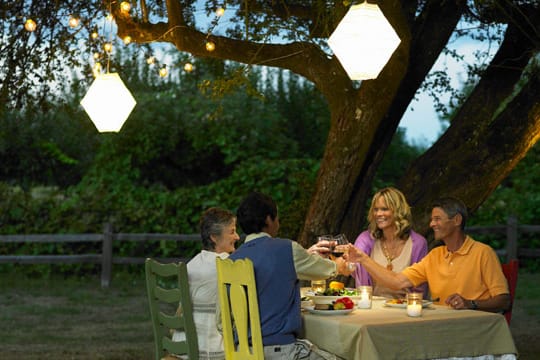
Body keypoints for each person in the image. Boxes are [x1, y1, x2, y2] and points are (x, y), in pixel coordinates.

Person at [230, 191, 352, 360]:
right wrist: (339, 266)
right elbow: (323, 270)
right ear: (268, 219)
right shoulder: (286, 248)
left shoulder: (232, 260)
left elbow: (222, 321)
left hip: (241, 352)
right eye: (277, 217)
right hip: (281, 351)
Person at [347, 197, 510, 312]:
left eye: (438, 219)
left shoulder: (483, 253)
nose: (432, 224)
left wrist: (471, 304)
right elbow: (396, 282)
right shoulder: (435, 256)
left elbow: (503, 301)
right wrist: (363, 259)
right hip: (441, 326)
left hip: (474, 326)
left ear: (457, 220)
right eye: (432, 219)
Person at [172, 207, 240, 360]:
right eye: (232, 231)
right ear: (214, 237)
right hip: (210, 350)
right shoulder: (226, 265)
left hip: (181, 348)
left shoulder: (191, 264)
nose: (237, 236)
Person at [352, 187, 428, 298]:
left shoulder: (418, 243)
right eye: (375, 209)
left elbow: (420, 288)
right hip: (371, 309)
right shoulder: (366, 239)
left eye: (384, 209)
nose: (378, 214)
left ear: (398, 211)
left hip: (405, 310)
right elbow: (351, 265)